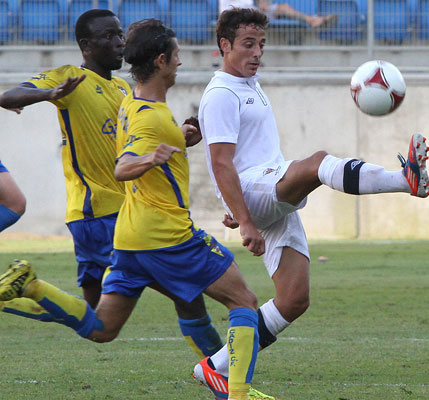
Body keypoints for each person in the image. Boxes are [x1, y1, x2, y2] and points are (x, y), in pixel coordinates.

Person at [0, 18, 260, 400]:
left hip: (127, 225)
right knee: (221, 299)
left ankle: (31, 285)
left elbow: (143, 139)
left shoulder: (128, 94)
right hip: (112, 218)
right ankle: (229, 385)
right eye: (108, 35)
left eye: (121, 35)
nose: (118, 41)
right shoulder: (75, 80)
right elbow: (125, 162)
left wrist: (178, 139)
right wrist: (49, 94)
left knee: (102, 326)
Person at [193, 7, 429, 396]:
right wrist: (246, 217)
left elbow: (235, 155)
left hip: (262, 191)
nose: (257, 53)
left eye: (262, 44)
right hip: (257, 189)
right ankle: (403, 180)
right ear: (225, 45)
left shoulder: (248, 84)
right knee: (317, 164)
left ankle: (216, 367)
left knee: (293, 299)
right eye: (248, 45)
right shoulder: (221, 93)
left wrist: (243, 209)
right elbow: (220, 163)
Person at [220, 0, 337, 28]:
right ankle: (313, 20)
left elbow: (263, 6)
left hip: (251, 10)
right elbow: (262, 5)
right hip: (237, 14)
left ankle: (312, 20)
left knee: (284, 8)